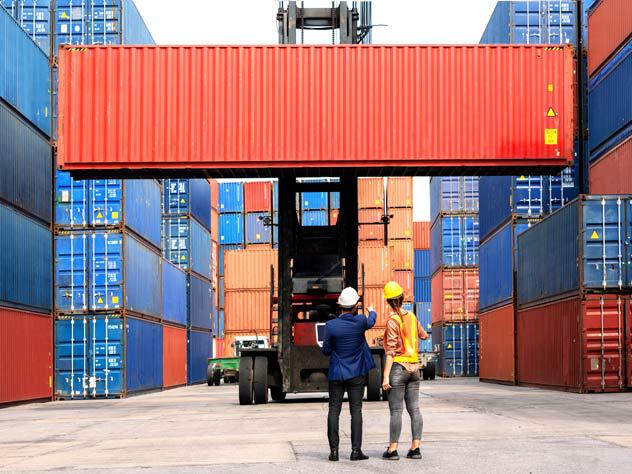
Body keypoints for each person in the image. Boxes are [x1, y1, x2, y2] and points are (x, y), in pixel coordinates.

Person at [321, 287, 377, 462]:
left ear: (340, 305)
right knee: (356, 411)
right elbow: (371, 321)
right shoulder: (361, 321)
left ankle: (334, 452)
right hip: (356, 374)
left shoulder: (331, 326)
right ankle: (355, 451)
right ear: (354, 307)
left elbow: (326, 351)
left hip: (337, 374)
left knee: (333, 411)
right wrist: (372, 311)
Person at [381, 281, 429, 461]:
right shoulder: (413, 316)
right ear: (402, 298)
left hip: (399, 369)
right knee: (414, 409)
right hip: (415, 369)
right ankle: (415, 448)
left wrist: (386, 376)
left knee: (396, 411)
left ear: (388, 301)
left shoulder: (392, 321)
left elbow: (391, 352)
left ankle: (392, 450)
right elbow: (424, 335)